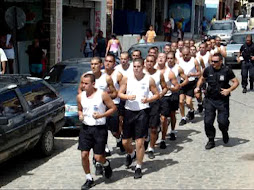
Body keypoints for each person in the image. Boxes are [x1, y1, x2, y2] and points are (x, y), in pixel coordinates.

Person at [118, 58, 159, 179]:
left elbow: (156, 94)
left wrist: (148, 100)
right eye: (134, 67)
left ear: (143, 67)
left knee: (140, 141)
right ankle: (131, 153)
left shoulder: (149, 79)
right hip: (129, 111)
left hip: (142, 111)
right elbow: (119, 93)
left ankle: (138, 167)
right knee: (125, 142)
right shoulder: (127, 78)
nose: (136, 69)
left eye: (138, 66)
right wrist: (127, 96)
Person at [77, 73, 117, 189]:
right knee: (84, 154)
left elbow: (113, 108)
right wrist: (80, 115)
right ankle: (89, 178)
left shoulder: (102, 95)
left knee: (98, 157)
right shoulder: (80, 96)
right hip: (86, 129)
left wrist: (101, 115)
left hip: (99, 129)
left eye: (86, 83)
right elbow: (79, 109)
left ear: (93, 84)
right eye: (82, 83)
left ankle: (106, 164)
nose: (83, 86)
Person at [194, 53, 239, 149]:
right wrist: (197, 88)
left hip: (222, 100)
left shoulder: (226, 70)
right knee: (208, 121)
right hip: (210, 99)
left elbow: (236, 82)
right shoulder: (208, 69)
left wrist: (229, 90)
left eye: (215, 61)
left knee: (222, 122)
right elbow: (202, 79)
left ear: (220, 61)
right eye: (212, 61)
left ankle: (224, 131)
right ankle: (211, 140)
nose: (213, 63)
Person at [144, 55, 168, 158]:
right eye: (147, 61)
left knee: (153, 128)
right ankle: (145, 140)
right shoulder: (140, 73)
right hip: (142, 103)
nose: (149, 63)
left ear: (155, 63)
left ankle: (151, 148)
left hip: (154, 102)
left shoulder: (159, 74)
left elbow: (165, 88)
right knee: (143, 127)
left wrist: (160, 95)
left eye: (151, 61)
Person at [178, 47, 201, 125]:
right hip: (182, 82)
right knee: (181, 101)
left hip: (191, 82)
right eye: (183, 55)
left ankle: (191, 110)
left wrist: (193, 74)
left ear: (190, 54)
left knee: (188, 102)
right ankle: (183, 117)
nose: (185, 56)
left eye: (187, 55)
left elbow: (199, 73)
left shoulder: (194, 61)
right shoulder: (179, 61)